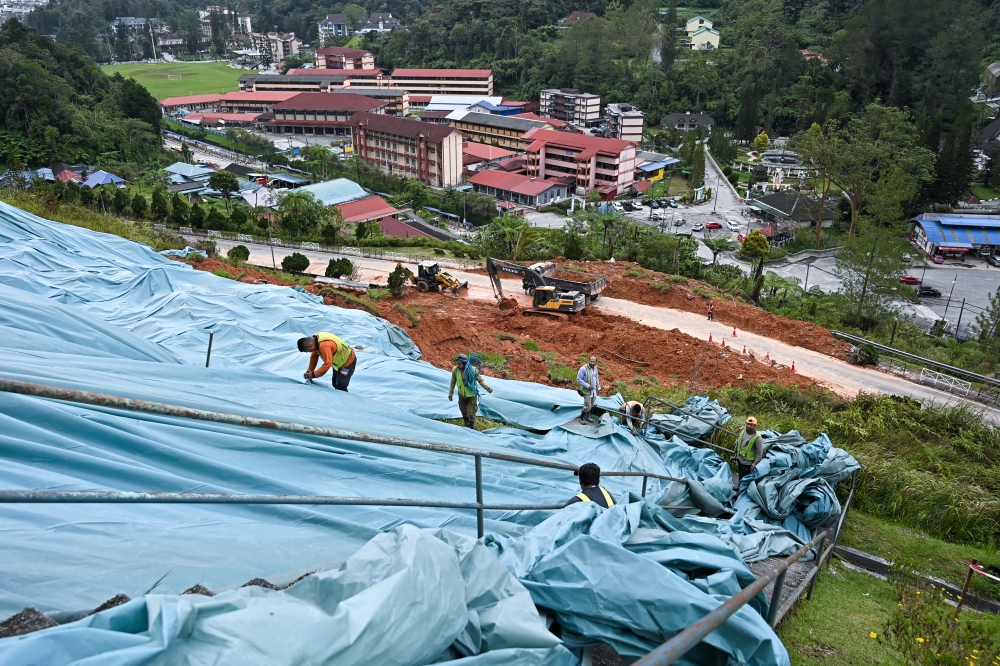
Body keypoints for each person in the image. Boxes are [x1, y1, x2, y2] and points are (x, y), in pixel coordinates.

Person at [448, 354, 493, 429]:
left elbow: (480, 380)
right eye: (457, 363)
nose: (458, 365)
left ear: (464, 363)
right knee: (463, 410)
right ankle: (467, 424)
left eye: (459, 363)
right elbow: (453, 382)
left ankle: (471, 426)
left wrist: (487, 388)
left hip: (472, 395)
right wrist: (450, 393)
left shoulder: (473, 370)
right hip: (462, 394)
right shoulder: (455, 370)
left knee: (471, 412)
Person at [735, 416, 765, 482]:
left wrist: (754, 464)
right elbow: (738, 442)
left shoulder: (758, 438)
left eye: (751, 425)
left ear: (755, 426)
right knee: (740, 473)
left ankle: (741, 489)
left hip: (747, 463)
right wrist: (735, 453)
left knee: (744, 478)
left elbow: (759, 453)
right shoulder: (742, 430)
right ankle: (739, 486)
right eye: (748, 424)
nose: (749, 426)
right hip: (740, 459)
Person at [577, 355, 601, 424]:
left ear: (596, 362)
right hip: (587, 391)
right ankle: (581, 418)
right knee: (587, 406)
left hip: (594, 391)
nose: (592, 362)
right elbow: (579, 379)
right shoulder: (583, 368)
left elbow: (597, 379)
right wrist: (587, 386)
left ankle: (587, 417)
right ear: (589, 360)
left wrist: (598, 388)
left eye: (594, 361)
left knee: (592, 405)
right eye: (591, 361)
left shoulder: (595, 368)